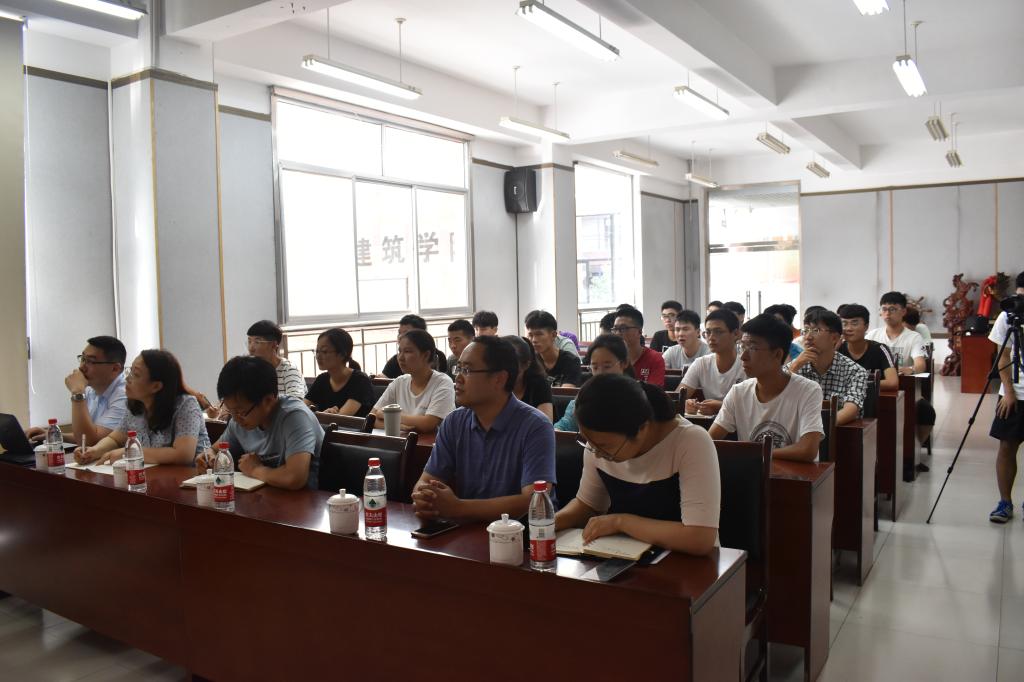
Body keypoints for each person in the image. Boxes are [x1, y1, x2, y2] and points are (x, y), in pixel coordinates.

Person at [555, 374, 720, 555]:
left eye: (604, 446)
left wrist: (620, 522)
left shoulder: (690, 441)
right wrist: (550, 523)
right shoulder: (598, 444)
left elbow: (700, 537)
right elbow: (588, 505)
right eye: (588, 442)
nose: (597, 453)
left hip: (686, 561)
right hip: (623, 555)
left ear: (641, 428)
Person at [412, 336, 556, 521]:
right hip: (470, 528)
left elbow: (534, 499)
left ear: (499, 379)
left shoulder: (536, 426)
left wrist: (459, 508)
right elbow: (427, 480)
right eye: (458, 368)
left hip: (525, 531)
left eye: (467, 370)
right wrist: (424, 498)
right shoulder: (454, 422)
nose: (458, 378)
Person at [197, 356, 323, 490]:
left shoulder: (295, 416)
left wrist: (255, 470)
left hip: (309, 498)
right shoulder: (239, 420)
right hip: (267, 495)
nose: (236, 419)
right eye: (231, 411)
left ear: (268, 400)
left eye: (240, 412)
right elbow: (215, 449)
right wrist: (208, 457)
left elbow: (295, 478)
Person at [710, 314, 824, 462]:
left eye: (752, 348)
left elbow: (807, 450)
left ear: (777, 354)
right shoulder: (738, 392)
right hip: (752, 474)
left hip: (793, 475)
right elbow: (709, 441)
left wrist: (754, 454)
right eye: (742, 346)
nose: (743, 356)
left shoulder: (808, 390)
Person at [74, 349, 210, 466]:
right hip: (153, 478)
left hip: (192, 480)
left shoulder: (185, 404)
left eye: (136, 374)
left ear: (156, 386)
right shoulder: (136, 404)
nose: (127, 379)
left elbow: (183, 455)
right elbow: (115, 439)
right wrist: (95, 451)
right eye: (130, 371)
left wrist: (129, 452)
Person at [25, 336, 128, 447]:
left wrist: (77, 393)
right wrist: (54, 435)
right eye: (83, 359)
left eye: (90, 361)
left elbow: (92, 442)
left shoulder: (125, 396)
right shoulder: (91, 390)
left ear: (115, 369)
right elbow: (84, 436)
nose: (82, 367)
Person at [866, 292, 935, 450]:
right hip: (878, 388)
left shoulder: (913, 337)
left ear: (903, 311)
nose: (887, 313)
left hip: (905, 389)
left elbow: (920, 365)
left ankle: (915, 449)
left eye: (892, 309)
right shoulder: (873, 335)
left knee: (927, 412)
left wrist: (909, 369)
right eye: (884, 309)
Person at [787, 309, 867, 427]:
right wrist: (794, 367)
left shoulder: (855, 371)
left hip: (836, 432)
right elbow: (773, 396)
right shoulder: (797, 365)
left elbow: (851, 409)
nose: (808, 337)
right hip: (796, 430)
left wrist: (817, 427)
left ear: (834, 338)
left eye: (816, 330)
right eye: (806, 330)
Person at [988, 271, 1024, 523]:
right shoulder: (1008, 315)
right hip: (1015, 393)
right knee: (1007, 447)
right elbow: (1002, 355)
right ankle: (1005, 502)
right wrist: (1008, 391)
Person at [371, 330, 455, 434]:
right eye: (399, 351)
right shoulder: (399, 382)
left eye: (407, 351)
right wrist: (399, 426)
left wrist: (388, 415)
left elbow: (428, 423)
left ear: (426, 355)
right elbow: (372, 417)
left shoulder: (443, 382)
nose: (400, 358)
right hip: (403, 442)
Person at [555, 334, 630, 432]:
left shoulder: (636, 397)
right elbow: (565, 425)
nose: (600, 373)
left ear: (624, 363)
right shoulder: (583, 398)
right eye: (595, 367)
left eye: (607, 367)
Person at [680, 309, 745, 416]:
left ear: (736, 334)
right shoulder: (701, 363)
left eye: (718, 332)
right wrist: (686, 404)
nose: (711, 337)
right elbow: (679, 397)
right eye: (708, 332)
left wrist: (721, 406)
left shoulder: (747, 365)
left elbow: (753, 406)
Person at [303, 328, 374, 416]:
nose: (318, 356)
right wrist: (322, 415)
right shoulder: (322, 379)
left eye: (324, 351)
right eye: (317, 351)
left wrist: (322, 415)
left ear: (342, 354)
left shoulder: (360, 380)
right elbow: (300, 408)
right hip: (326, 425)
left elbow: (342, 417)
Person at [837, 303, 898, 392]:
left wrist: (856, 384)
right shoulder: (837, 349)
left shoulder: (880, 349)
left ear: (866, 326)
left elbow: (892, 382)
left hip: (872, 398)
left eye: (854, 323)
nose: (849, 328)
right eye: (844, 324)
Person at [245, 320, 305, 400]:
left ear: (273, 345)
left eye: (257, 342)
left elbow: (296, 400)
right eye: (249, 342)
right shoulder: (252, 370)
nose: (251, 348)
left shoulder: (289, 369)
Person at [525, 310, 583, 387]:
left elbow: (566, 392)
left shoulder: (571, 361)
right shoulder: (530, 361)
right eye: (530, 335)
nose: (534, 340)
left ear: (553, 335)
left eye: (539, 334)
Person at [503, 335, 554, 421]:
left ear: (526, 365)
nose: (502, 374)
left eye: (510, 367)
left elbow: (545, 424)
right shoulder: (491, 385)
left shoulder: (539, 385)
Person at [612, 305, 665, 387]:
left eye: (623, 328)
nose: (618, 333)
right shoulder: (610, 357)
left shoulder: (654, 358)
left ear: (639, 332)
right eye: (615, 329)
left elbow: (654, 392)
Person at [380, 315, 448, 378]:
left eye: (406, 333)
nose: (400, 337)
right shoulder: (397, 359)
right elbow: (384, 378)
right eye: (399, 333)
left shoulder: (437, 356)